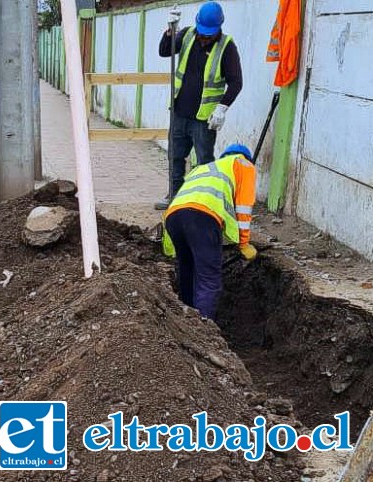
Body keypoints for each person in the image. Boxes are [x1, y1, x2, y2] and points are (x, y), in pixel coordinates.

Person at [158, 2, 243, 203]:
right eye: (202, 32)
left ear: (218, 29)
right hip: (179, 111)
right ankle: (174, 197)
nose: (204, 37)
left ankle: (201, 200)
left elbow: (236, 82)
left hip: (204, 119)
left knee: (204, 162)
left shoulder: (227, 47)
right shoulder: (187, 34)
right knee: (175, 157)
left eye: (209, 34)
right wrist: (170, 32)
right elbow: (164, 51)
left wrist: (222, 108)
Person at [164, 144, 257, 322]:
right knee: (208, 279)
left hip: (173, 217)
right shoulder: (243, 165)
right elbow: (244, 209)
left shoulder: (204, 168)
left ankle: (186, 320)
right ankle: (204, 330)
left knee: (187, 271)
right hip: (202, 218)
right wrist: (244, 244)